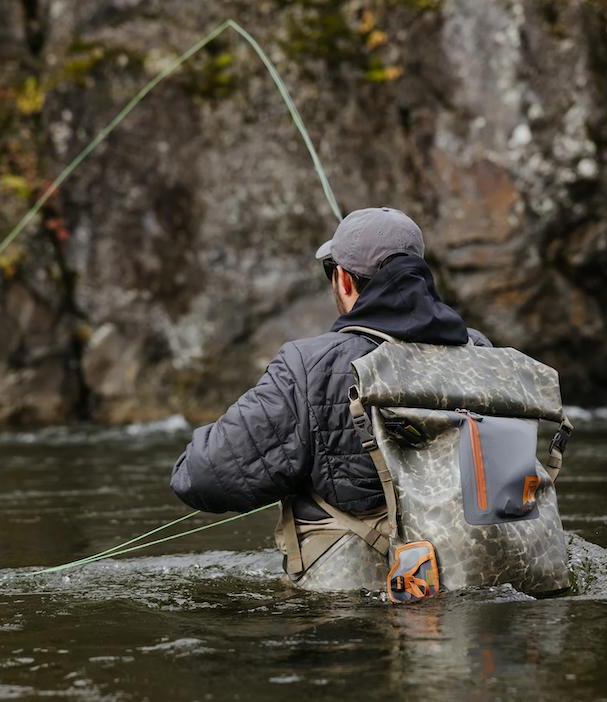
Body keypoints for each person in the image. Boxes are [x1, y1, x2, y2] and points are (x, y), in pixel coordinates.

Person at [170, 207, 492, 576]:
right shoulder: (481, 352)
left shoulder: (308, 365)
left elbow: (200, 476)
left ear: (343, 279)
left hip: (352, 611)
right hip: (476, 574)